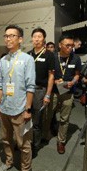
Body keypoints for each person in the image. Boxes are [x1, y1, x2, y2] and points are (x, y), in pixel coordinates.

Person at [0, 25, 35, 171]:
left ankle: (26, 170)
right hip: (4, 108)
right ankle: (8, 162)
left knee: (23, 143)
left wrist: (28, 109)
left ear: (20, 39)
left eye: (12, 36)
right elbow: (0, 85)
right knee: (5, 139)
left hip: (20, 109)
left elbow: (30, 86)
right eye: (6, 36)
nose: (8, 38)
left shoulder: (27, 59)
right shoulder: (3, 60)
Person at [44, 34, 82, 154]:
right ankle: (46, 135)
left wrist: (73, 82)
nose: (70, 48)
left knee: (64, 118)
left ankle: (61, 141)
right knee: (48, 115)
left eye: (71, 45)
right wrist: (54, 81)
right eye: (67, 45)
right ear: (60, 45)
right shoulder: (52, 57)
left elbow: (77, 74)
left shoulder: (76, 58)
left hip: (68, 92)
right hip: (54, 92)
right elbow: (46, 74)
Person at [28, 28, 55, 157]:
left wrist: (48, 94)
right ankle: (26, 143)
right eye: (34, 36)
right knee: (25, 117)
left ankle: (35, 146)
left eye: (39, 36)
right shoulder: (28, 54)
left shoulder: (49, 55)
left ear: (43, 39)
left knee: (37, 120)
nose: (37, 39)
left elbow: (51, 76)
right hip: (27, 90)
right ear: (32, 39)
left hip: (40, 90)